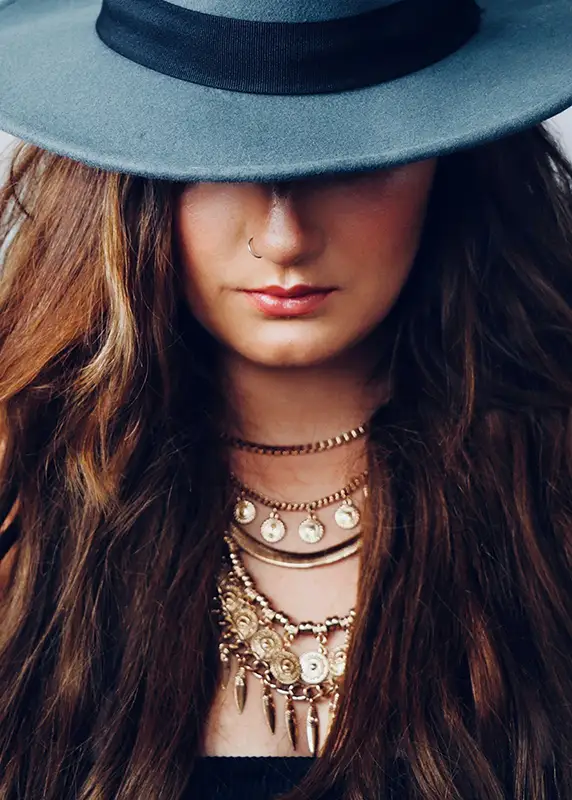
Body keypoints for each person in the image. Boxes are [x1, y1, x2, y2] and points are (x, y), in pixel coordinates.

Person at [1, 0, 572, 797]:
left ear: (456, 159)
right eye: (211, 158)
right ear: (118, 177)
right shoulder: (20, 506)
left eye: (354, 158)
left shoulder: (552, 501)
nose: (284, 237)